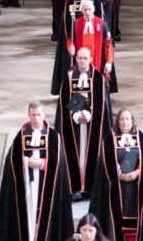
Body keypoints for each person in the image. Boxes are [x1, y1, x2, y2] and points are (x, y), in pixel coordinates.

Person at [0, 102, 74, 241]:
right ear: (29, 115)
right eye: (33, 115)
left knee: (44, 213)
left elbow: (59, 163)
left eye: (38, 115)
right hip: (27, 186)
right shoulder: (22, 135)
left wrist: (42, 163)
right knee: (28, 213)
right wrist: (25, 162)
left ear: (44, 115)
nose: (36, 118)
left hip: (44, 184)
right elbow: (11, 159)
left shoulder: (53, 136)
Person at [90, 109, 143, 241]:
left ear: (132, 121)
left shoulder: (142, 138)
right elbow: (104, 162)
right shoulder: (109, 139)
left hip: (136, 187)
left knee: (134, 217)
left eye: (128, 119)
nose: (125, 122)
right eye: (122, 119)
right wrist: (118, 174)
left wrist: (137, 172)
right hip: (117, 186)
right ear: (117, 122)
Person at [57, 48, 113, 201]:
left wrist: (88, 115)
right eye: (80, 58)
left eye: (85, 58)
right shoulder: (69, 78)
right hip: (75, 124)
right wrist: (76, 115)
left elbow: (102, 104)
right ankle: (75, 187)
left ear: (90, 59)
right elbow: (65, 103)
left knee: (91, 152)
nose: (82, 61)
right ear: (76, 60)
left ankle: (90, 187)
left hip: (92, 124)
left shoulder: (97, 78)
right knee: (75, 153)